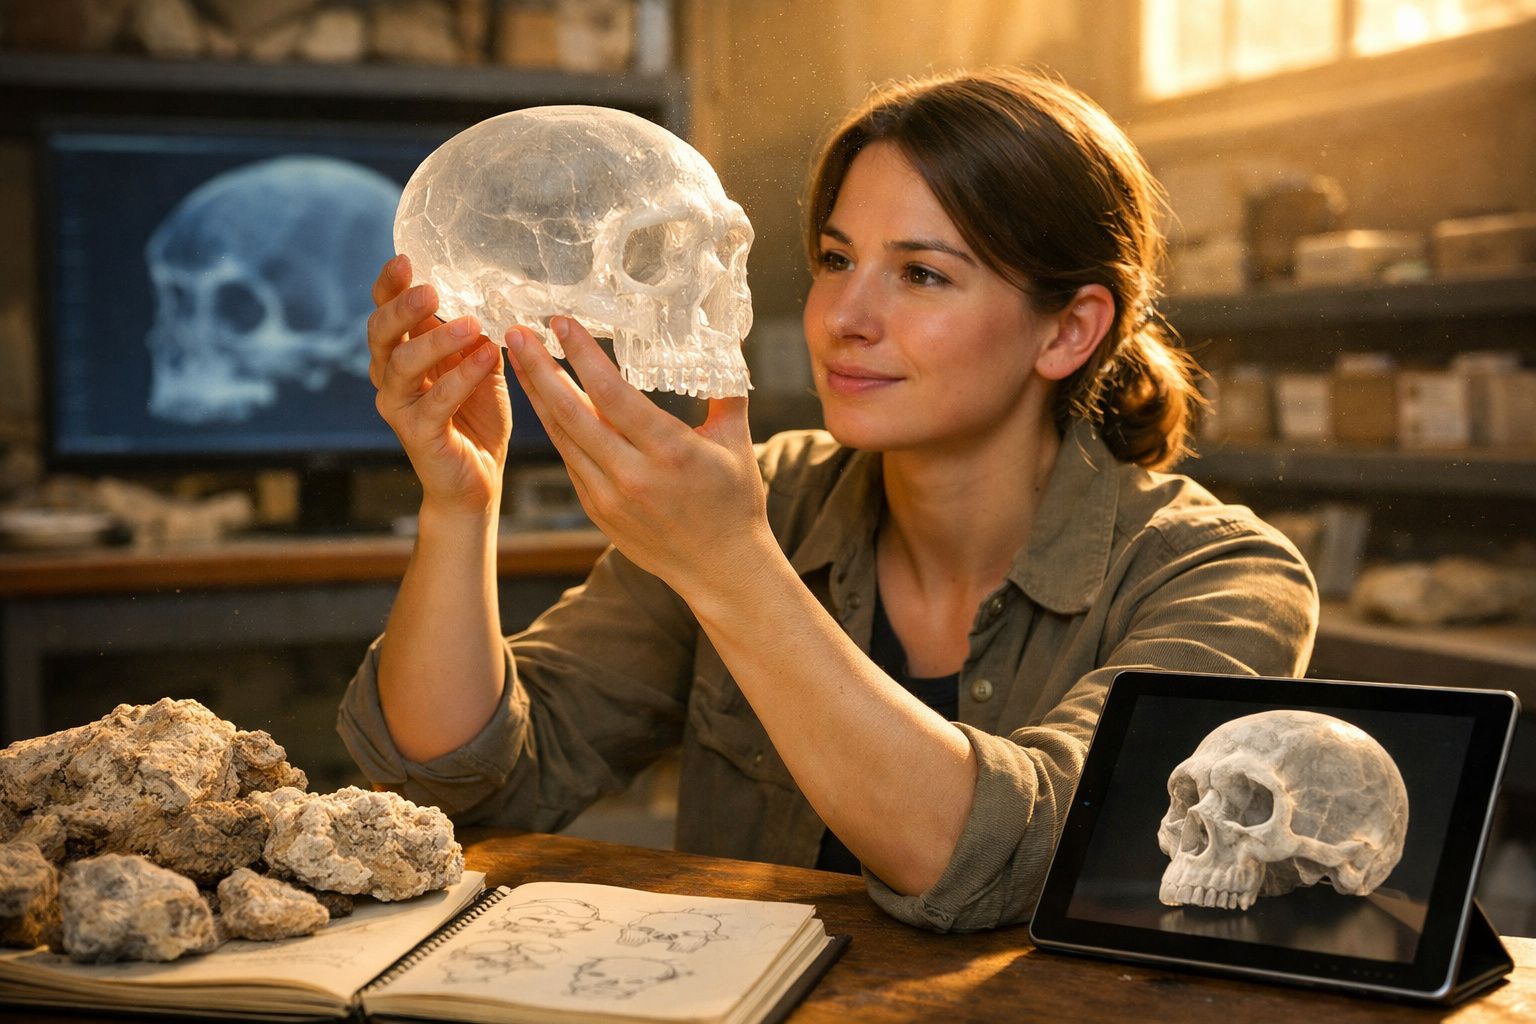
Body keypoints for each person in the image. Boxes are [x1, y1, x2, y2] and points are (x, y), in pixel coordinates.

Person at [339, 67, 1318, 932]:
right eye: (837, 259)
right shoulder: (765, 497)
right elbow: (462, 782)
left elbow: (1016, 861)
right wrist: (459, 504)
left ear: (1068, 331)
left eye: (922, 274)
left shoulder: (1226, 578)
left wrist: (731, 567)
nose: (844, 316)